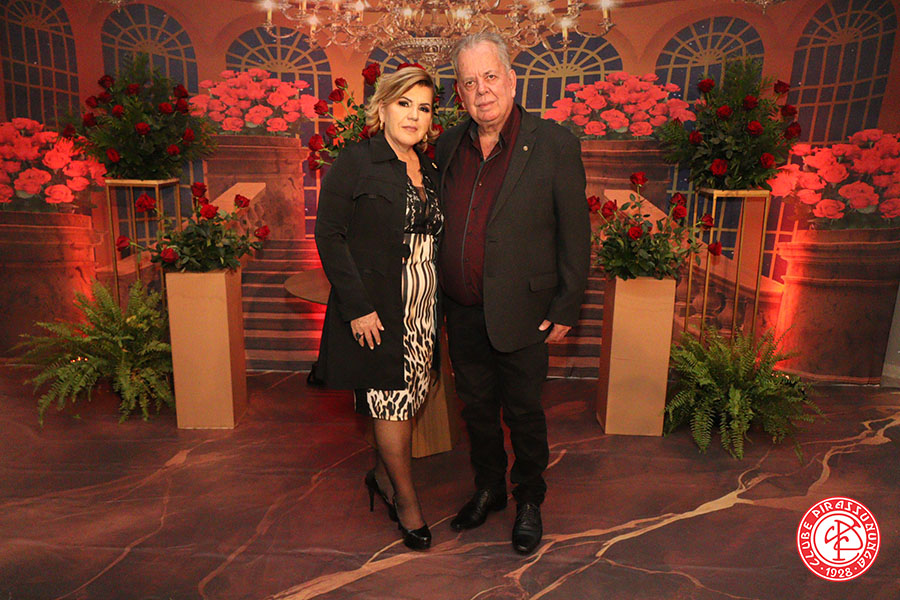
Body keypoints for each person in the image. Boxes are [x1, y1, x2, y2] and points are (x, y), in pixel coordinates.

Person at [436, 32, 590, 555]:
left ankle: (528, 498)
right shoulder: (447, 146)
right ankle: (489, 488)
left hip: (525, 310)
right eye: (469, 82)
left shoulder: (554, 144)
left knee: (523, 411)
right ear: (460, 93)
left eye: (490, 76)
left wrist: (567, 303)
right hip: (461, 310)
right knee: (476, 409)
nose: (482, 90)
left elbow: (575, 231)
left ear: (511, 79)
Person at [315, 65, 443, 551]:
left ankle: (381, 477)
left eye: (423, 108)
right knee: (390, 401)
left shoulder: (430, 169)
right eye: (404, 103)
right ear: (382, 108)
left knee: (411, 396)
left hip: (423, 308)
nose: (413, 116)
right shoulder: (356, 161)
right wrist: (358, 308)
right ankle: (407, 503)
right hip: (379, 309)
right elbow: (329, 235)